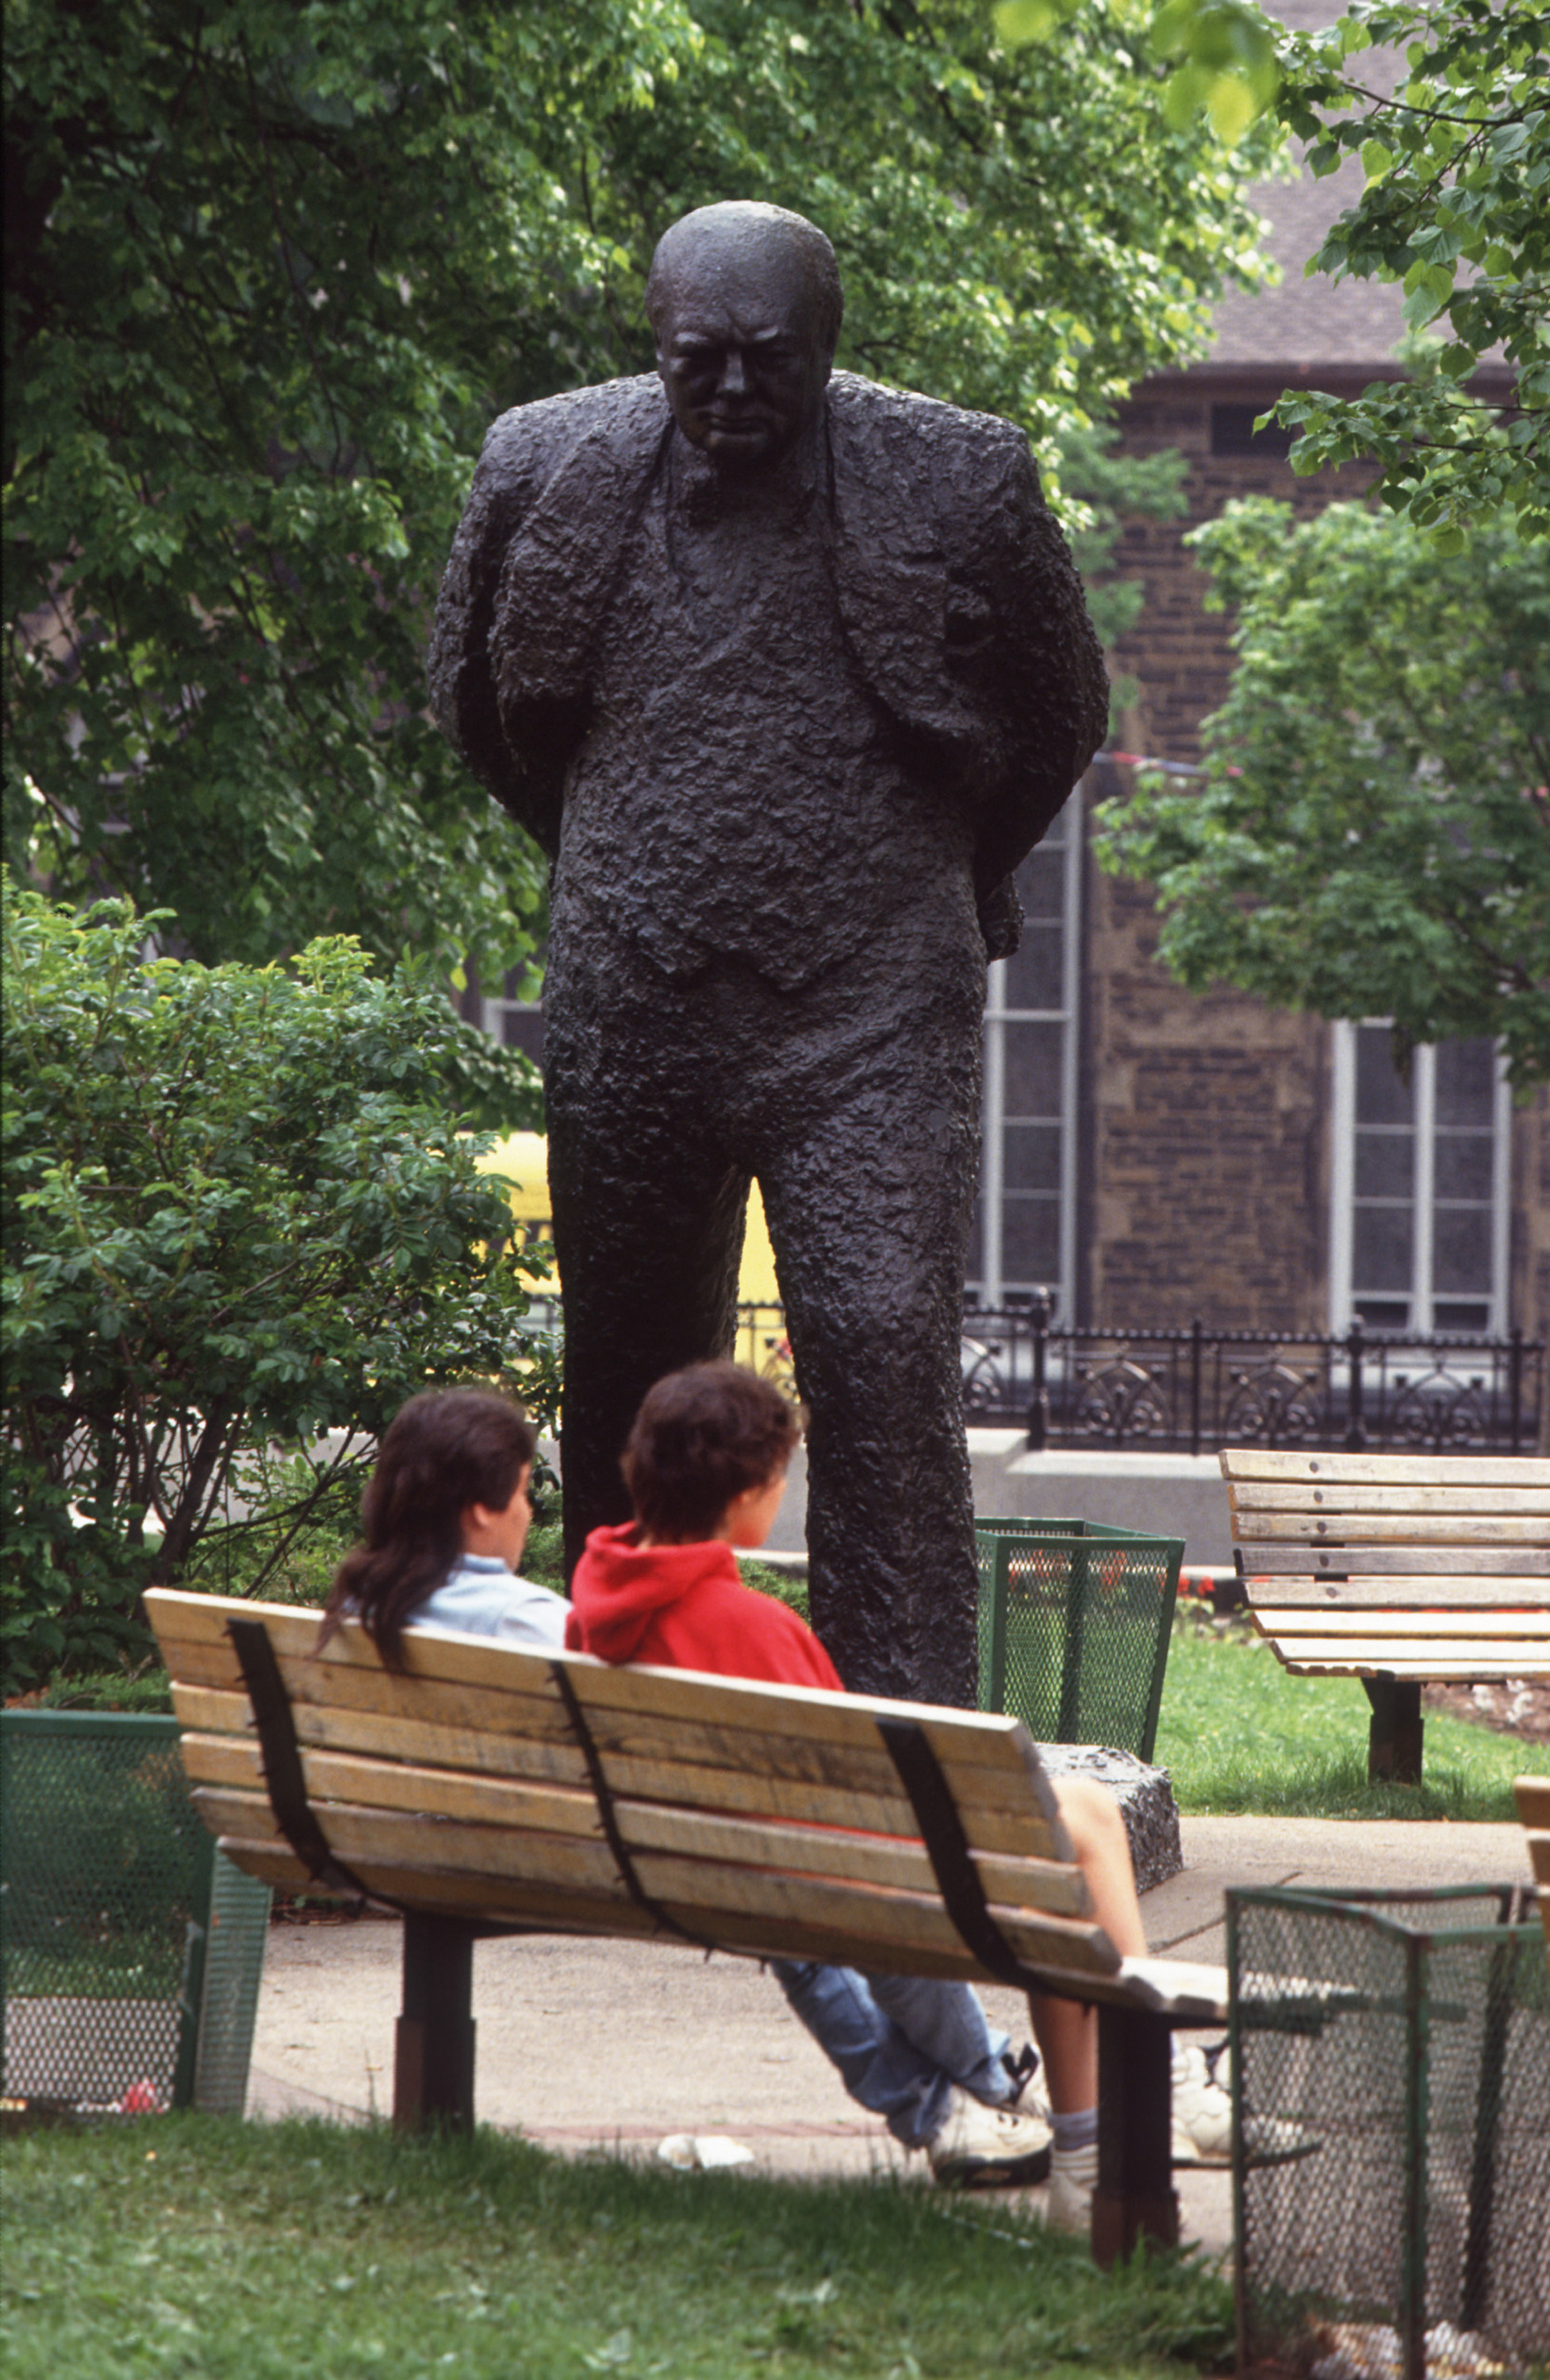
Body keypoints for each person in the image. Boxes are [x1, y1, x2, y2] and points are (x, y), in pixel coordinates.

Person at [429, 199, 1110, 1710]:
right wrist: (606, 854)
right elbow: (471, 699)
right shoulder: (540, 465)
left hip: (868, 1004)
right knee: (627, 1373)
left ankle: (903, 1742)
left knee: (879, 1353)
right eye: (700, 360)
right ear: (654, 346)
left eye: (767, 359)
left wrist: (943, 880)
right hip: (633, 996)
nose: (732, 389)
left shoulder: (959, 476)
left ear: (827, 347)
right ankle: (634, 1729)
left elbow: (1061, 710)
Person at [566, 1363, 1237, 2224]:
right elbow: (858, 1798)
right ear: (744, 1494)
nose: (785, 1489)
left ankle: (1064, 2104)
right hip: (843, 1879)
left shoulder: (594, 1610)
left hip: (699, 1872)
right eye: (780, 1477)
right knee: (1083, 1830)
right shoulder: (753, 1630)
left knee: (1080, 1812)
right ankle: (1147, 2080)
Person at [318, 1388, 568, 1663]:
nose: (528, 1511)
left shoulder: (358, 1601)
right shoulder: (526, 1620)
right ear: (482, 1509)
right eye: (522, 1492)